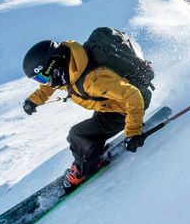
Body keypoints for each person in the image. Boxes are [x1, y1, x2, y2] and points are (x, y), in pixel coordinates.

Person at [21, 39, 151, 189]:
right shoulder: (72, 66)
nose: (45, 83)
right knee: (90, 133)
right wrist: (34, 100)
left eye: (43, 77)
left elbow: (132, 95)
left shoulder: (91, 81)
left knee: (77, 135)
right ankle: (92, 156)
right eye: (39, 80)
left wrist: (134, 132)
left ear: (54, 67)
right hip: (112, 106)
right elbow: (50, 86)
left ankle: (84, 170)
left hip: (125, 109)